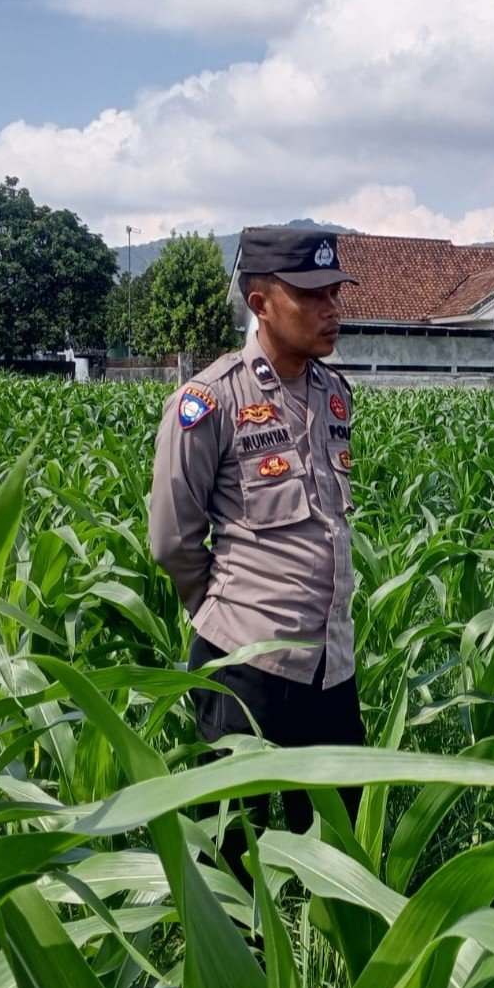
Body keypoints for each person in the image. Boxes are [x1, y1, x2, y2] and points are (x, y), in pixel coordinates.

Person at [148, 226, 363, 874]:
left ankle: (325, 967)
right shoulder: (208, 401)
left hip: (329, 662)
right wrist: (225, 615)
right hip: (245, 662)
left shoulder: (333, 394)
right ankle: (239, 968)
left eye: (334, 292)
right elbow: (173, 539)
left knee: (338, 839)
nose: (331, 309)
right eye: (312, 295)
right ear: (260, 301)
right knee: (234, 846)